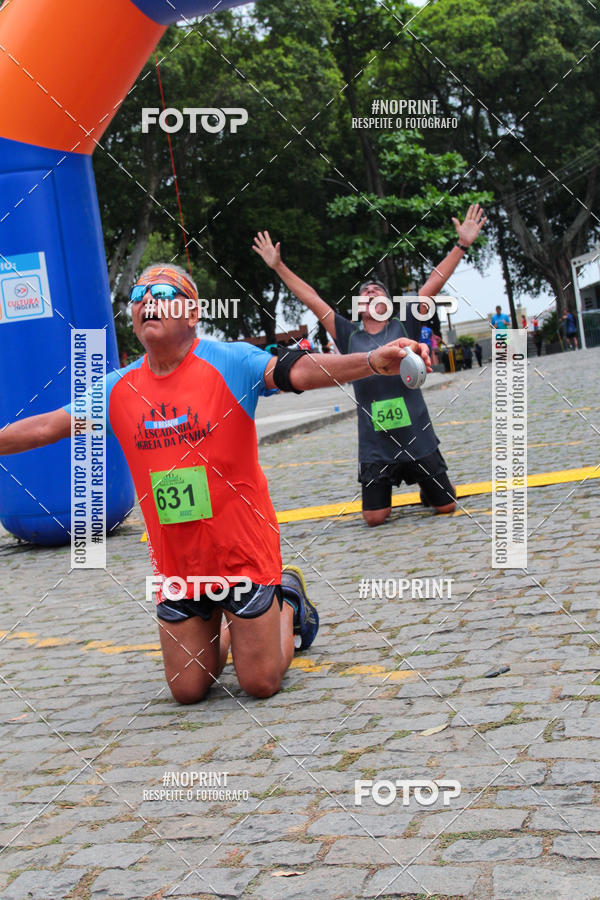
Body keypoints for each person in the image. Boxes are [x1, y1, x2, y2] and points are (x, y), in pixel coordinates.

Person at [0, 264, 431, 702]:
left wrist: (373, 361)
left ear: (192, 312)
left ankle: (287, 599)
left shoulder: (230, 361)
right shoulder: (118, 389)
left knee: (259, 684)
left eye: (164, 292)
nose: (148, 301)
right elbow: (47, 428)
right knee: (186, 691)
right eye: (138, 295)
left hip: (242, 554)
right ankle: (229, 623)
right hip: (180, 566)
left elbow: (304, 371)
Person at [253, 204, 487, 527]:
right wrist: (278, 267)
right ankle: (396, 488)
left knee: (446, 507)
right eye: (365, 291)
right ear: (359, 307)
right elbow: (312, 298)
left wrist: (461, 245)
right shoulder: (349, 336)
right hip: (376, 445)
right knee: (375, 518)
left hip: (415, 434)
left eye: (377, 289)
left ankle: (429, 486)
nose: (371, 291)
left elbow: (434, 282)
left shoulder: (404, 324)